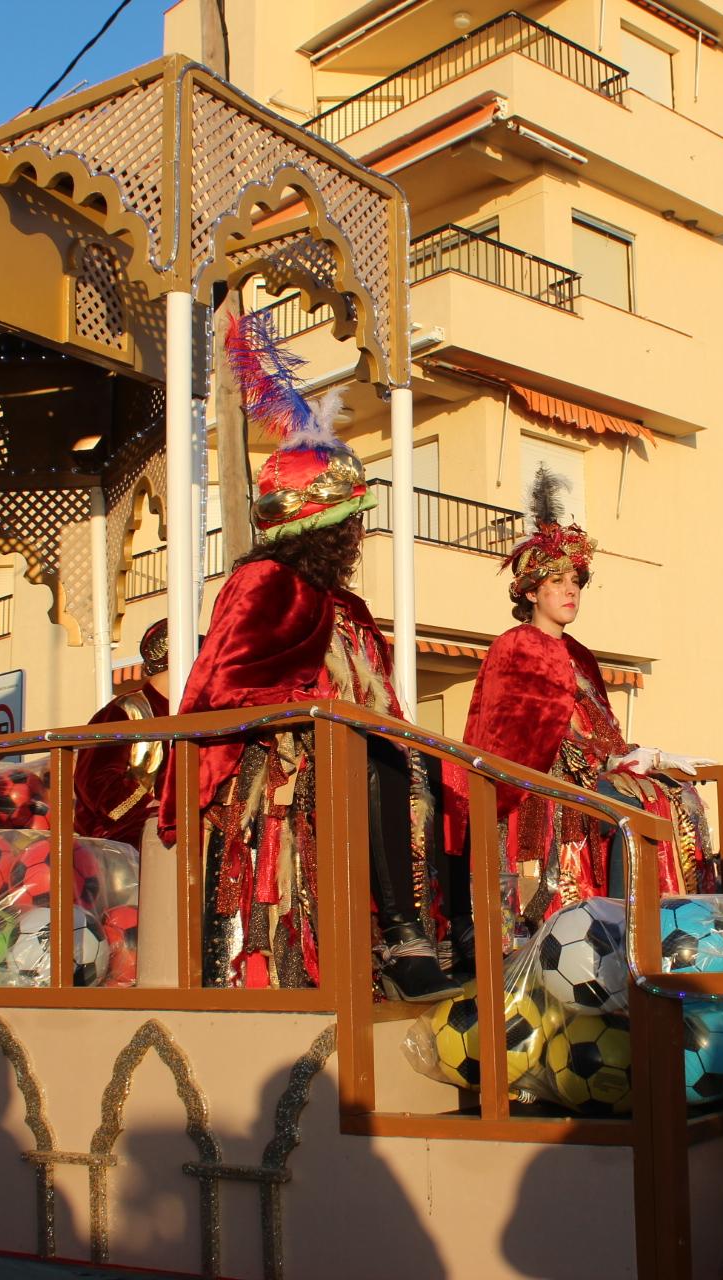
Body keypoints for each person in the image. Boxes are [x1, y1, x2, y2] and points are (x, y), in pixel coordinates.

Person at [156, 311, 454, 999]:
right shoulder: (264, 582)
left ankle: (445, 934)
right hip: (281, 764)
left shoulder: (347, 608)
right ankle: (401, 939)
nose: (357, 538)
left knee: (417, 767)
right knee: (373, 759)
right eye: (350, 525)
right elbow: (221, 689)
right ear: (326, 528)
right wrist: (319, 712)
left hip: (343, 752)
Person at [442, 468, 715, 965]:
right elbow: (517, 737)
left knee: (674, 796)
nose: (570, 591)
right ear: (530, 592)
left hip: (591, 772)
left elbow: (603, 729)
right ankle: (625, 934)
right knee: (634, 804)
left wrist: (635, 756)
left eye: (576, 582)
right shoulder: (515, 646)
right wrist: (602, 765)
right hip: (539, 783)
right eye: (556, 582)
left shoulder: (582, 654)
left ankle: (666, 933)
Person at [74, 619, 172, 848]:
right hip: (121, 841)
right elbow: (97, 781)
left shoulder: (193, 714)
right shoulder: (122, 712)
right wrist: (151, 808)